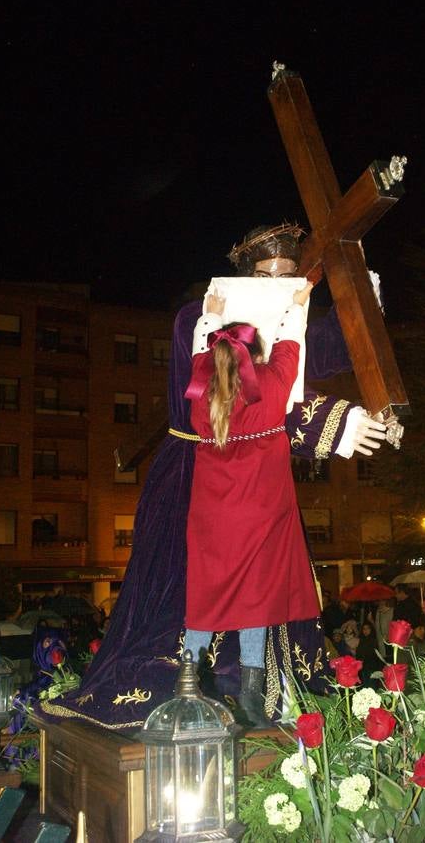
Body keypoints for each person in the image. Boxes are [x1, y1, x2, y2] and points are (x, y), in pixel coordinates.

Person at [37, 223, 388, 733]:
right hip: (193, 481)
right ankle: (194, 687)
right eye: (264, 274)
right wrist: (334, 423)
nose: (274, 282)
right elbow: (266, 393)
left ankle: (250, 692)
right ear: (244, 277)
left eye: (286, 273)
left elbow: (316, 350)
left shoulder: (226, 340)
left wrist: (358, 301)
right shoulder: (196, 324)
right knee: (194, 597)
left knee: (246, 594)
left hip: (252, 490)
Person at [182, 283, 317, 726]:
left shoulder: (203, 407)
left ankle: (187, 690)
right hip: (260, 518)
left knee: (203, 600)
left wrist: (210, 317)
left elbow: (202, 360)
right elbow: (289, 346)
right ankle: (252, 699)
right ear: (254, 360)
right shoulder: (271, 393)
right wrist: (295, 307)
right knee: (255, 605)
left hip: (213, 522)